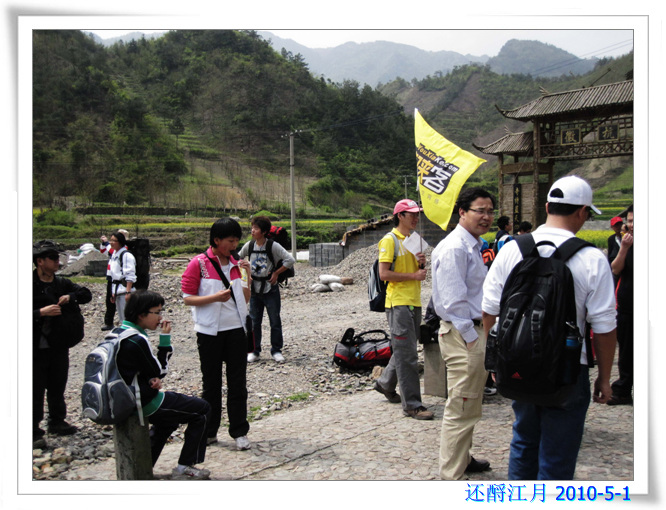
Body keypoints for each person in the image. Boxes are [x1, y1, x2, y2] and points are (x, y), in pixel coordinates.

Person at [482, 175, 617, 480]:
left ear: (547, 207)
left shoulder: (512, 250)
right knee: (558, 453)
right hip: (568, 369)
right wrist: (605, 378)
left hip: (519, 363)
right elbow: (605, 327)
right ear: (582, 211)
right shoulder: (592, 258)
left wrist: (497, 361)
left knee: (524, 441)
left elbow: (489, 311)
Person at [431, 187, 495, 480]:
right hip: (463, 333)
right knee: (461, 404)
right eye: (480, 210)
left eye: (490, 211)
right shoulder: (455, 248)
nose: (486, 217)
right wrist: (472, 338)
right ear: (462, 212)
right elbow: (453, 301)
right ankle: (451, 475)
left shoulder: (472, 245)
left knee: (470, 401)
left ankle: (463, 458)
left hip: (470, 332)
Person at [116, 290, 212, 480]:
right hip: (142, 401)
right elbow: (160, 370)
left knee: (168, 421)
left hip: (124, 397)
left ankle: (145, 466)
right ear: (141, 314)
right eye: (157, 312)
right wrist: (165, 338)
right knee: (202, 410)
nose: (160, 317)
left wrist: (150, 377)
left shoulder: (119, 332)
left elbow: (136, 369)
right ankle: (185, 466)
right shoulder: (137, 340)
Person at [181, 218, 254, 450]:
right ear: (216, 240)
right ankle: (210, 431)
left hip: (236, 330)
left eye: (236, 240)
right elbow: (187, 298)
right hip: (209, 332)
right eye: (230, 241)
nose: (234, 245)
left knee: (237, 383)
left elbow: (245, 299)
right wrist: (215, 298)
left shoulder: (237, 264)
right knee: (211, 384)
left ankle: (239, 431)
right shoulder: (199, 264)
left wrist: (247, 276)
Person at [373, 199, 433, 420]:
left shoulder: (413, 240)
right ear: (400, 216)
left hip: (413, 301)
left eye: (417, 214)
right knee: (408, 355)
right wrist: (414, 275)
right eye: (412, 214)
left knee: (405, 349)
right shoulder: (389, 241)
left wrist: (421, 264)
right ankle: (412, 406)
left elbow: (417, 272)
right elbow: (384, 274)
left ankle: (385, 383)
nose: (416, 218)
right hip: (398, 303)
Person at [33, 240, 92, 449]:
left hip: (58, 343)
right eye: (53, 258)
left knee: (58, 383)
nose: (58, 262)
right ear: (40, 261)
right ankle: (33, 430)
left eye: (58, 258)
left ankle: (57, 421)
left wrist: (71, 296)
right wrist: (40, 313)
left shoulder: (61, 283)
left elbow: (86, 294)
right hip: (34, 346)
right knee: (35, 387)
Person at [237, 216, 295, 363]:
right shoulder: (250, 245)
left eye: (256, 228)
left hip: (270, 288)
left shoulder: (273, 246)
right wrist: (245, 272)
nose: (252, 231)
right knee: (254, 322)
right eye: (252, 228)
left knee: (274, 320)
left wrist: (276, 273)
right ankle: (254, 351)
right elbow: (236, 258)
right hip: (254, 290)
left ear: (263, 232)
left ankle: (276, 350)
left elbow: (290, 260)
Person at [608, 205, 633, 406]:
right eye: (630, 221)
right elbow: (615, 268)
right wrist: (624, 248)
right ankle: (624, 389)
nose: (630, 225)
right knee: (626, 350)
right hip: (627, 305)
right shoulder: (627, 243)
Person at [100, 229, 129, 330]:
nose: (112, 242)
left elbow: (110, 250)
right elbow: (104, 251)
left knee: (122, 303)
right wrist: (103, 243)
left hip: (120, 280)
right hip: (111, 278)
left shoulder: (125, 249)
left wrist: (107, 243)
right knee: (110, 300)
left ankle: (125, 323)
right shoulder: (115, 251)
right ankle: (109, 322)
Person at [108, 231, 136, 323]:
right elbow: (114, 275)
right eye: (111, 240)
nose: (111, 243)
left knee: (127, 317)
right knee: (122, 317)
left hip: (124, 290)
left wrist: (128, 292)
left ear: (120, 242)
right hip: (118, 290)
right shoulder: (114, 254)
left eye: (114, 241)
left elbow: (130, 274)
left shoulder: (126, 255)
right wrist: (113, 292)